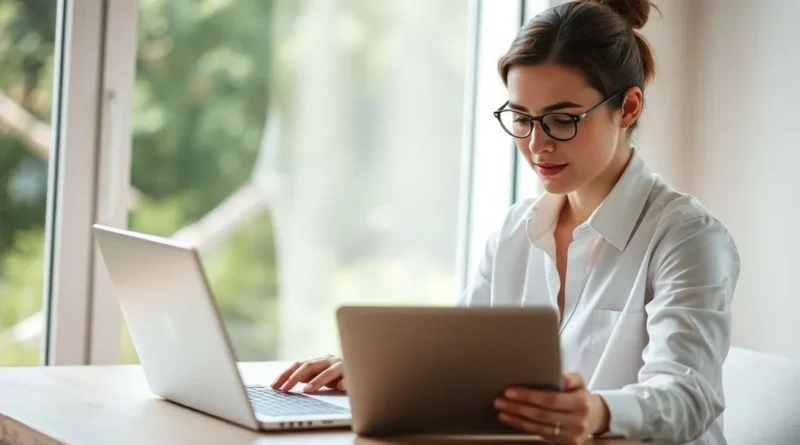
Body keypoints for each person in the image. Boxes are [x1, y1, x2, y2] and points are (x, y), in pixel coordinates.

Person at [271, 0, 740, 444]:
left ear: (629, 108)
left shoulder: (687, 237)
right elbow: (459, 357)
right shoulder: (518, 230)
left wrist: (598, 412)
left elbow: (689, 395)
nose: (537, 145)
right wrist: (379, 374)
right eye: (521, 118)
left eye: (562, 120)